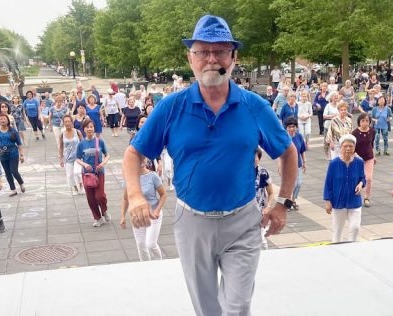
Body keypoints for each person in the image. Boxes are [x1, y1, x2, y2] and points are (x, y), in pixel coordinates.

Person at [124, 15, 297, 315]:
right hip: (192, 223)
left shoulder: (254, 106)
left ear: (233, 57)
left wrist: (283, 201)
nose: (211, 59)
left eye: (220, 51)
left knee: (238, 304)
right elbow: (132, 154)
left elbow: (288, 152)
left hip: (242, 222)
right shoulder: (171, 107)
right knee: (206, 308)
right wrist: (136, 195)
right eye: (202, 51)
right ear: (190, 58)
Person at [120, 156, 168, 261]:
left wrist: (157, 210)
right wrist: (122, 217)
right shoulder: (130, 179)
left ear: (146, 160)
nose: (140, 160)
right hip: (137, 216)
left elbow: (163, 194)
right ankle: (146, 269)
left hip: (153, 215)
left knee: (150, 244)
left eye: (143, 158)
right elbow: (125, 199)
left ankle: (159, 264)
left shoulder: (152, 176)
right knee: (141, 245)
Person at [324, 134, 365, 242]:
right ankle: (336, 251)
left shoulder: (359, 162)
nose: (348, 149)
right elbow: (328, 182)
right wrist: (327, 200)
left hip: (354, 200)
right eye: (345, 146)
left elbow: (363, 178)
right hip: (338, 201)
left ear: (354, 148)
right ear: (340, 147)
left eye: (351, 146)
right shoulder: (334, 163)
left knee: (355, 227)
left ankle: (352, 247)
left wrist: (361, 184)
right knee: (338, 230)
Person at [76, 119, 111, 227]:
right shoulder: (81, 144)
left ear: (94, 128)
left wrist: (103, 163)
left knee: (99, 196)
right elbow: (77, 158)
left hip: (99, 173)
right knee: (91, 198)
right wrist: (84, 164)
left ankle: (104, 210)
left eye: (91, 126)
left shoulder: (99, 141)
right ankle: (97, 218)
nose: (89, 129)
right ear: (84, 129)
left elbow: (107, 155)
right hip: (86, 174)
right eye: (87, 127)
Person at [0, 114, 26, 196]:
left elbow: (19, 143)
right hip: (2, 155)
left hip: (13, 153)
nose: (2, 120)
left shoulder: (13, 131)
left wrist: (21, 155)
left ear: (8, 120)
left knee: (14, 171)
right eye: (0, 119)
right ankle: (13, 190)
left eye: (4, 118)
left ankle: (21, 183)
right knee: (7, 173)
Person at [352, 113, 376, 207]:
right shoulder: (355, 133)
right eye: (363, 121)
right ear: (359, 122)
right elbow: (352, 147)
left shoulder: (372, 131)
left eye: (367, 121)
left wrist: (374, 156)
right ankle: (356, 194)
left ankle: (367, 197)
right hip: (357, 159)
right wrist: (356, 155)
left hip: (369, 158)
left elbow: (372, 144)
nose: (365, 123)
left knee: (369, 178)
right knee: (357, 178)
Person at [284, 117, 306, 210]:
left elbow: (302, 151)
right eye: (289, 127)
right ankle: (288, 203)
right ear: (286, 128)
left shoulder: (299, 136)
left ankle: (292, 200)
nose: (292, 129)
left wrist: (305, 162)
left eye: (293, 126)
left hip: (298, 164)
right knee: (291, 184)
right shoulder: (284, 138)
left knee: (299, 183)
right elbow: (280, 154)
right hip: (288, 165)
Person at [253, 148, 273, 250]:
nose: (253, 159)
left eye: (255, 157)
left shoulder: (263, 173)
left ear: (259, 158)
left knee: (262, 241)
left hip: (260, 212)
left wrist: (268, 207)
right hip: (243, 214)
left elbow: (271, 193)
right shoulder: (240, 173)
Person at [59, 115, 84, 196]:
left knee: (78, 173)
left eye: (68, 121)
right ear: (63, 123)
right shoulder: (62, 134)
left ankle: (81, 186)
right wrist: (61, 159)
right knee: (70, 175)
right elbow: (61, 147)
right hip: (68, 158)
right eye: (65, 122)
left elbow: (83, 144)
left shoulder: (77, 132)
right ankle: (75, 188)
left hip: (78, 157)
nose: (67, 123)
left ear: (71, 122)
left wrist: (84, 155)